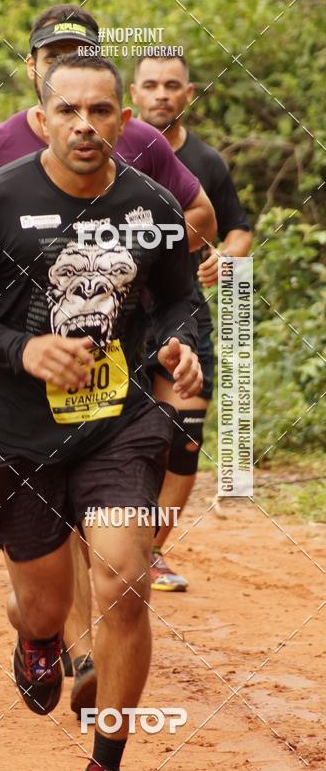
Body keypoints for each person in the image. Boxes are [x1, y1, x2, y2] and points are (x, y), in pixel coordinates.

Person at [0, 53, 202, 771]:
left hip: (119, 422)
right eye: (69, 111)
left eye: (101, 111)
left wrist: (180, 346)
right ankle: (38, 638)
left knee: (124, 580)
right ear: (41, 119)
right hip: (16, 430)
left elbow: (181, 299)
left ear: (124, 119)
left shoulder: (150, 206)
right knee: (42, 603)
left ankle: (105, 769)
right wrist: (23, 349)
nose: (85, 125)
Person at [130, 53, 252, 591]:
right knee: (124, 434)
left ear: (189, 93)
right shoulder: (110, 151)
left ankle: (152, 552)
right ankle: (99, 542)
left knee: (184, 434)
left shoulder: (206, 161)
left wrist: (226, 257)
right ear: (133, 94)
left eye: (171, 85)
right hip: (116, 317)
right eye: (151, 85)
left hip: (183, 314)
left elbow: (238, 229)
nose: (161, 94)